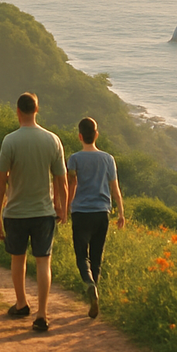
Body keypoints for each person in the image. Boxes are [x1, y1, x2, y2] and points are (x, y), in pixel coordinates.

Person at [0, 92, 67, 332]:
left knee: (18, 258)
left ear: (18, 111)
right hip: (43, 211)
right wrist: (62, 207)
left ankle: (21, 303)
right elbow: (61, 180)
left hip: (15, 211)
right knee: (43, 261)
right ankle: (42, 314)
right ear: (37, 110)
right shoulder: (52, 140)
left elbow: (1, 181)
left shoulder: (10, 141)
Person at [66, 117, 125, 319]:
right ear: (96, 135)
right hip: (102, 212)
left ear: (80, 136)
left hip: (81, 212)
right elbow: (114, 188)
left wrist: (66, 207)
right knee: (97, 256)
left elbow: (71, 184)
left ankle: (90, 285)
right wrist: (121, 213)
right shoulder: (108, 159)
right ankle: (95, 292)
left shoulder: (74, 159)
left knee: (82, 255)